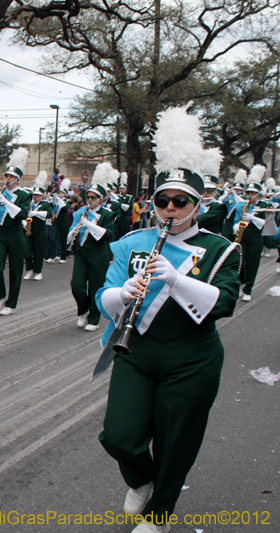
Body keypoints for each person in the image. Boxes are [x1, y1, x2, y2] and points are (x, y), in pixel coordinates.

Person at [95, 104, 241, 533]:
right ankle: (141, 479)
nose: (171, 209)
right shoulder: (132, 241)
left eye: (181, 201)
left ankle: (159, 515)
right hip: (137, 351)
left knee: (176, 443)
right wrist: (125, 291)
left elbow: (226, 302)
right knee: (118, 435)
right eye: (164, 201)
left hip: (192, 358)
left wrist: (177, 280)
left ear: (198, 204)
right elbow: (105, 294)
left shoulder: (220, 249)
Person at [68, 163, 116, 331]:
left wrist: (89, 225)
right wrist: (74, 231)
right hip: (82, 252)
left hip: (99, 254)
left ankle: (93, 319)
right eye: (88, 197)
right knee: (76, 285)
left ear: (101, 199)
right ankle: (83, 310)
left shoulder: (108, 214)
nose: (89, 200)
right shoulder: (79, 213)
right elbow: (69, 235)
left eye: (93, 197)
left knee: (96, 287)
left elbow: (109, 235)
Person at [0, 147, 32, 316]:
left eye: (11, 176)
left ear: (18, 180)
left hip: (16, 234)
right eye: (7, 176)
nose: (8, 179)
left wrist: (5, 202)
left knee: (15, 270)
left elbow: (22, 214)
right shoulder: (0, 194)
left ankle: (11, 304)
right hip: (1, 234)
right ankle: (0, 297)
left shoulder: (24, 195)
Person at [225, 165, 270, 302]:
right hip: (242, 237)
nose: (249, 195)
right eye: (248, 192)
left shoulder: (264, 206)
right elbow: (232, 221)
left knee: (253, 264)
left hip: (256, 238)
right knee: (240, 263)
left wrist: (253, 218)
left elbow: (266, 223)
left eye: (252, 193)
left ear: (259, 194)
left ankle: (248, 289)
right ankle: (239, 285)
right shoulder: (240, 205)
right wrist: (236, 226)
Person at [23, 172, 52, 281]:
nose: (35, 197)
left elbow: (49, 214)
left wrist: (35, 213)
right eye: (34, 195)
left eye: (37, 195)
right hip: (29, 230)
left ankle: (38, 271)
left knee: (39, 252)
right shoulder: (30, 204)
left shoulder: (45, 204)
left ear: (42, 196)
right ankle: (29, 270)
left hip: (40, 231)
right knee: (27, 251)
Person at [46, 179, 70, 263]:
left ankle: (63, 257)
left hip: (64, 222)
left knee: (63, 240)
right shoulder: (55, 200)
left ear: (65, 194)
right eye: (60, 192)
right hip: (56, 221)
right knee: (53, 239)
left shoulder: (67, 201)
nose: (60, 194)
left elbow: (66, 208)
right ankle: (52, 257)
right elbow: (50, 205)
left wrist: (60, 200)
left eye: (62, 193)